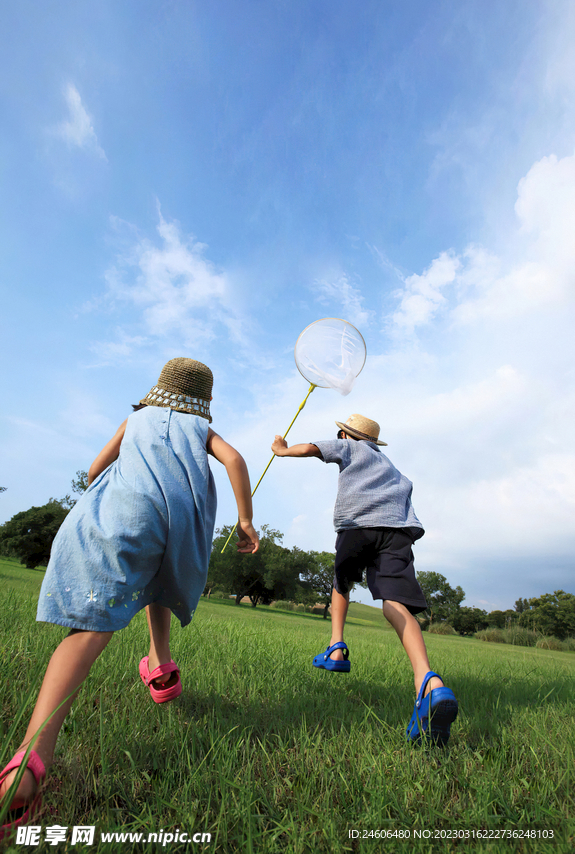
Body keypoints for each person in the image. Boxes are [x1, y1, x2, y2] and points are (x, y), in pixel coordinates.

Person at [0, 358, 259, 836]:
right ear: (203, 400)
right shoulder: (201, 429)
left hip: (125, 517)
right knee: (159, 579)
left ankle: (30, 761)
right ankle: (160, 664)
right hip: (172, 527)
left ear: (160, 389)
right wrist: (245, 519)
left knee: (90, 630)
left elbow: (101, 463)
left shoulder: (137, 418)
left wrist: (95, 492)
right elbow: (237, 461)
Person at [271, 413, 458, 746]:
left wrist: (283, 450)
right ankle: (429, 683)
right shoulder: (390, 467)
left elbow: (314, 449)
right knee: (395, 603)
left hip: (358, 526)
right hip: (398, 532)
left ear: (345, 436)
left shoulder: (350, 448)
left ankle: (336, 647)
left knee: (342, 580)